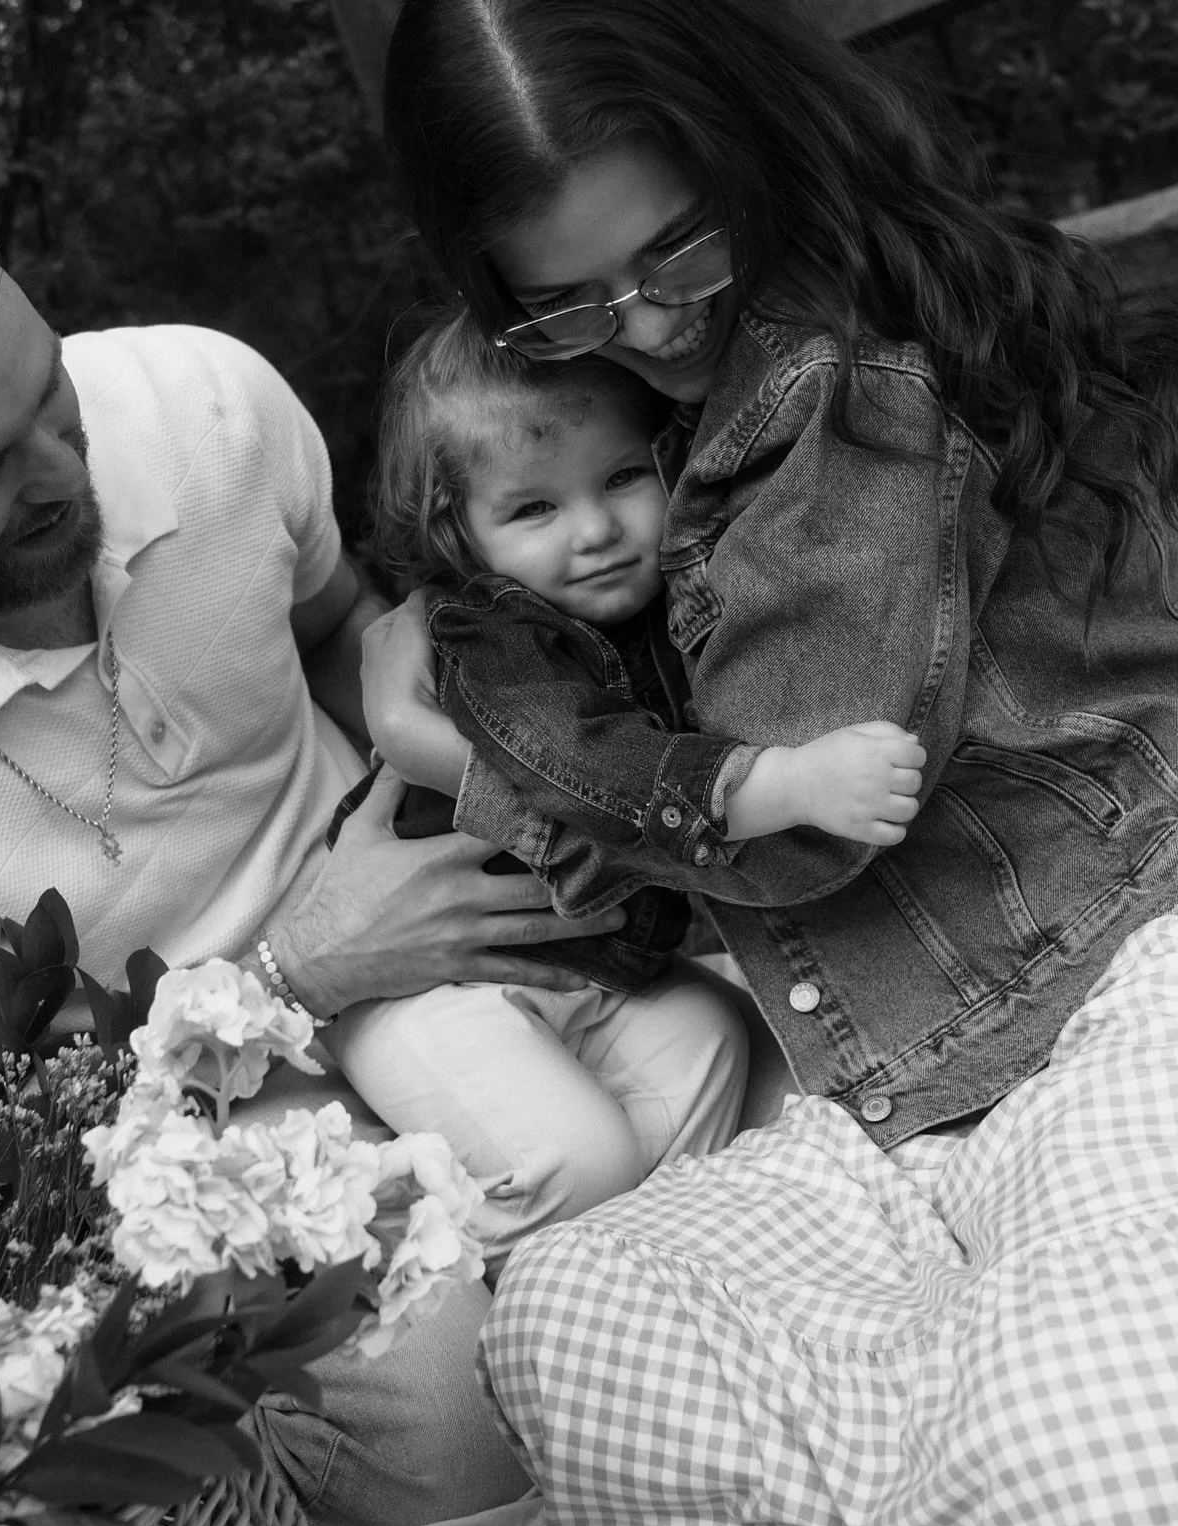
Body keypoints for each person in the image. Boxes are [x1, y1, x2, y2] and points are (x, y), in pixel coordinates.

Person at [361, 0, 1178, 1517]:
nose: (652, 327)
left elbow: (787, 827)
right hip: (922, 1065)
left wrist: (452, 748)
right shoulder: (668, 407)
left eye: (680, 246)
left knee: (1064, 1445)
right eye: (574, 304)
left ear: (756, 136)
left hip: (1103, 983)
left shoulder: (841, 392)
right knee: (581, 1317)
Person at [0, 159, 626, 1526]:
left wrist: (481, 775)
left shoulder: (202, 401)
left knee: (711, 1068)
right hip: (189, 1132)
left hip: (417, 892)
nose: (64, 474)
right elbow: (6, 1175)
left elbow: (336, 625)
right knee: (454, 1393)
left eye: (48, 397)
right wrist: (295, 976)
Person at [327, 314, 924, 1265]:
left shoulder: (666, 601)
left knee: (716, 1037)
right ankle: (377, 1255)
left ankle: (641, 1267)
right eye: (534, 509)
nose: (597, 532)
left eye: (620, 478)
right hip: (430, 978)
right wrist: (777, 784)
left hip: (585, 970)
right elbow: (584, 768)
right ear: (457, 530)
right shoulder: (490, 634)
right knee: (584, 1159)